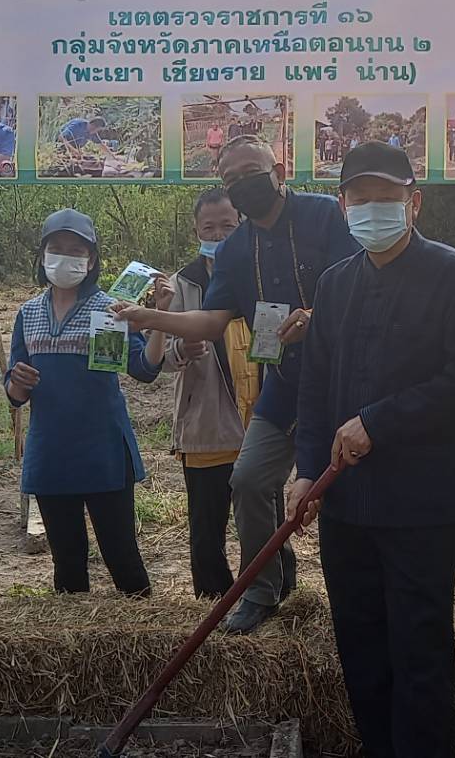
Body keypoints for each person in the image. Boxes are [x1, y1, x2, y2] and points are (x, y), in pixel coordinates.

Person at [291, 141, 455, 758]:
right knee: (361, 645)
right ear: (342, 204)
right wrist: (304, 472)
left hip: (420, 502)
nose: (374, 210)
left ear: (415, 203)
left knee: (419, 646)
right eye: (362, 199)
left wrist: (378, 422)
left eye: (388, 198)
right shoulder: (334, 284)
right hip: (346, 499)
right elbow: (316, 386)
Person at [112, 134, 361, 633]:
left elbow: (364, 283)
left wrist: (317, 314)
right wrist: (151, 318)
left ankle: (354, 598)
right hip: (286, 383)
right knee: (248, 480)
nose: (243, 184)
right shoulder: (235, 250)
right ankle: (262, 592)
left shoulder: (324, 216)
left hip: (346, 380)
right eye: (231, 179)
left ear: (280, 169)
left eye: (252, 171)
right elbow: (211, 321)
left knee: (349, 492)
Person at [7, 209, 161, 594]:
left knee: (122, 554)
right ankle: (74, 649)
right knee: (66, 560)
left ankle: (145, 636)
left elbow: (143, 369)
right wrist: (18, 382)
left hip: (103, 450)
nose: (65, 257)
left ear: (91, 260)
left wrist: (160, 318)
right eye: (56, 248)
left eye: (76, 250)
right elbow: (14, 392)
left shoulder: (112, 309)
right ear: (42, 256)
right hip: (50, 453)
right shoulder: (27, 313)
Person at [140, 188, 257, 598]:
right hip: (205, 425)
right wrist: (181, 349)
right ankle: (212, 605)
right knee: (207, 529)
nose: (220, 234)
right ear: (196, 230)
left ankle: (270, 594)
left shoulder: (260, 272)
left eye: (228, 225)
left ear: (242, 224)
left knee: (263, 523)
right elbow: (157, 359)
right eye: (210, 227)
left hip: (259, 423)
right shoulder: (179, 285)